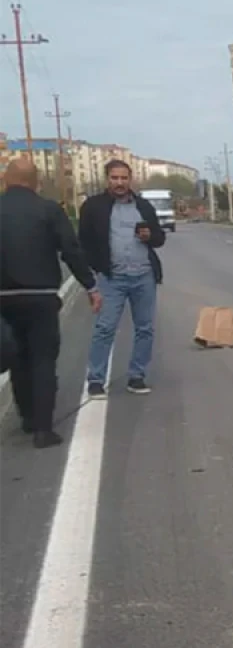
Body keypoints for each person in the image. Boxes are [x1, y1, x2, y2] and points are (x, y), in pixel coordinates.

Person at [0, 157, 103, 448]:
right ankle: (43, 431)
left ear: (6, 180)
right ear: (36, 182)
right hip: (41, 296)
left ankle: (28, 418)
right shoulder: (48, 210)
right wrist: (91, 286)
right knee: (43, 359)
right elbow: (71, 250)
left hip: (3, 299)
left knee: (19, 360)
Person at [78, 159, 167, 398]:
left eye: (124, 178)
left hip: (143, 276)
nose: (120, 183)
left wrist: (150, 235)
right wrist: (93, 274)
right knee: (105, 329)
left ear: (131, 179)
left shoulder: (144, 206)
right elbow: (83, 242)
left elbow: (160, 239)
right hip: (112, 278)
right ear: (107, 179)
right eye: (115, 178)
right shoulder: (93, 206)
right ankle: (96, 379)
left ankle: (137, 376)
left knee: (145, 329)